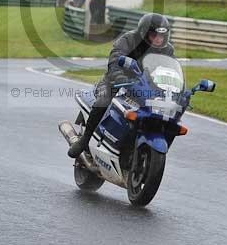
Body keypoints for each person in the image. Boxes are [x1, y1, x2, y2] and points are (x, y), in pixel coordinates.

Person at [67, 13, 174, 158]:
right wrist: (119, 76)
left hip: (144, 89)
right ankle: (84, 140)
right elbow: (115, 59)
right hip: (115, 82)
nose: (158, 39)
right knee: (103, 101)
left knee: (164, 114)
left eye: (161, 36)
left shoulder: (168, 50)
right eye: (154, 35)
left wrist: (174, 87)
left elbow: (170, 71)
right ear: (144, 32)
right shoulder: (128, 40)